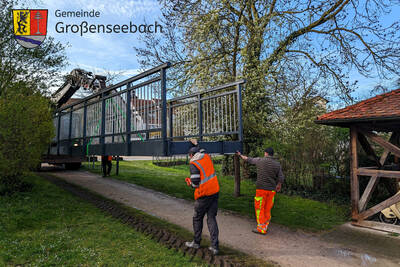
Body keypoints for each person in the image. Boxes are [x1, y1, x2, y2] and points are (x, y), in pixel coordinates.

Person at [237, 147, 284, 235]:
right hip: (271, 190)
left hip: (261, 189)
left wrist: (240, 155)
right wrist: (279, 185)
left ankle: (261, 228)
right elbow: (281, 177)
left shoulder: (260, 160)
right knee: (267, 208)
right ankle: (265, 225)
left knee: (260, 208)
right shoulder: (277, 164)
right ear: (272, 154)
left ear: (266, 153)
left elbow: (248, 159)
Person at [185, 145, 220, 255]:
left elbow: (195, 183)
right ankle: (215, 246)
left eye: (189, 156)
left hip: (204, 195)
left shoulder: (193, 164)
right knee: (211, 218)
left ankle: (196, 242)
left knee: (197, 218)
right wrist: (196, 144)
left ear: (191, 155)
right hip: (215, 192)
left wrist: (190, 183)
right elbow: (203, 150)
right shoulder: (207, 157)